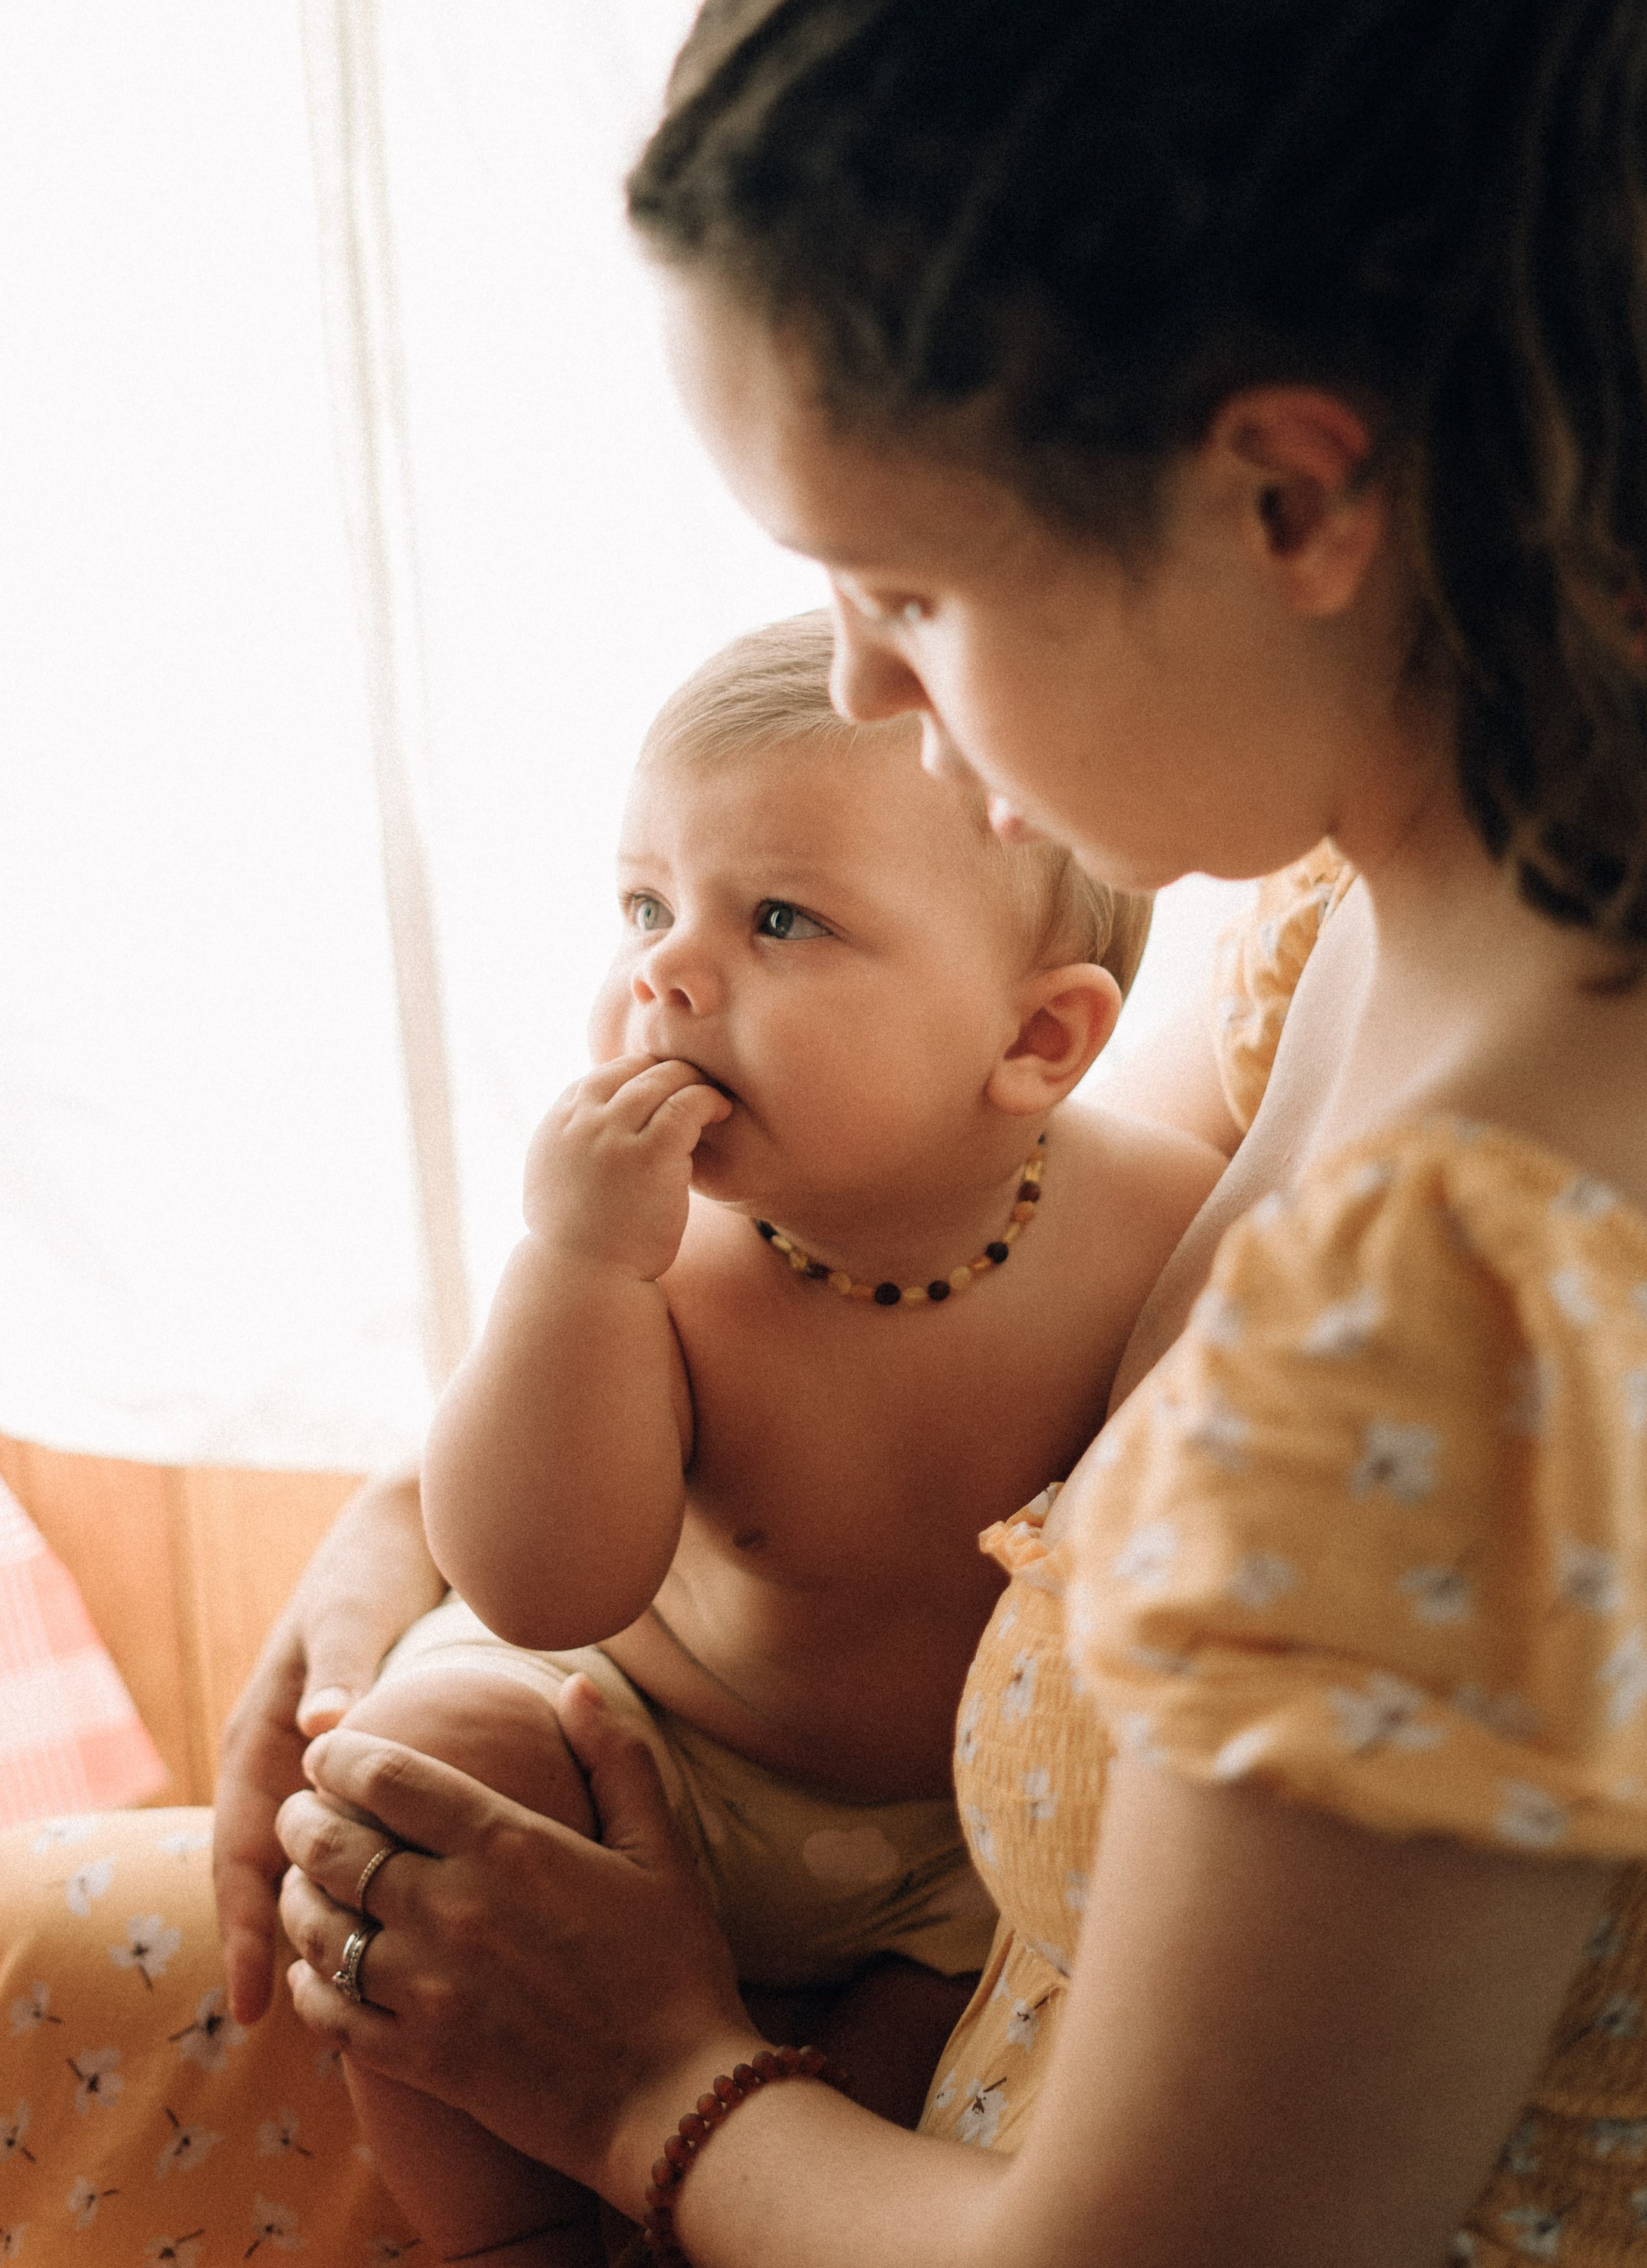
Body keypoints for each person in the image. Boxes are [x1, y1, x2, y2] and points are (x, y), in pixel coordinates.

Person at [0, 0, 1647, 2263]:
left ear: (1293, 498)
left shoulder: (1478, 1316)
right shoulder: (1407, 876)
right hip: (901, 2070)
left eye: (910, 588)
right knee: (27, 1946)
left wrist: (649, 2080)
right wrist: (418, 1525)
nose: (879, 694)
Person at [331, 611, 1219, 2262]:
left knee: (918, 2086)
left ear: (1037, 1040)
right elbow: (537, 1584)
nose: (662, 972)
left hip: (957, 1849)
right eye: (645, 906)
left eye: (780, 919)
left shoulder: (1164, 1238)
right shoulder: (652, 1258)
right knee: (423, 1771)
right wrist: (576, 1269)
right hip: (642, 1741)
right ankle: (510, 2242)